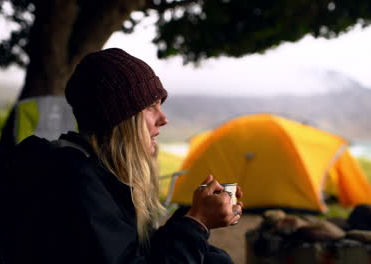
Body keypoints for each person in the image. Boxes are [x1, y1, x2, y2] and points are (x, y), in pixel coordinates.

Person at [13, 48, 243, 263]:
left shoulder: (101, 172)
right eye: (151, 107)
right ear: (119, 118)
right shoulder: (75, 180)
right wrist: (198, 222)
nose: (164, 119)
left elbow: (132, 249)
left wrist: (195, 215)